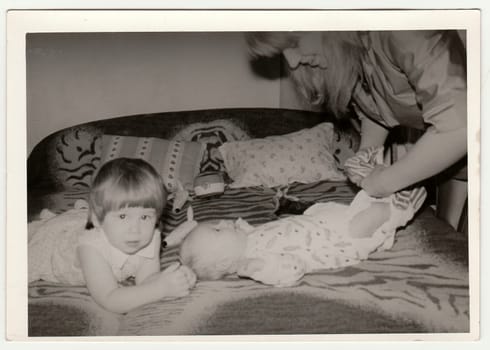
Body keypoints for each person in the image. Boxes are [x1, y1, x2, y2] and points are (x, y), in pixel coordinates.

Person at [245, 30, 467, 197]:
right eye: (282, 53)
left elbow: (461, 126)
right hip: (453, 155)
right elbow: (376, 110)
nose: (292, 61)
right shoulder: (352, 52)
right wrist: (366, 153)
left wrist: (384, 183)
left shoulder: (403, 29)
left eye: (293, 43)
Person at [28, 158, 196, 314]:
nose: (135, 230)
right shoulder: (90, 247)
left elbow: (147, 279)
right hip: (54, 244)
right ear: (97, 220)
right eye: (123, 216)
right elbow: (109, 298)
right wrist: (160, 289)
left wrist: (175, 278)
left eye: (145, 217)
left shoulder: (150, 236)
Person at [177, 186, 426, 287]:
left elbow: (253, 232)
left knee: (339, 209)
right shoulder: (255, 264)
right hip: (337, 244)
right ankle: (398, 210)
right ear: (224, 262)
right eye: (218, 230)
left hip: (320, 223)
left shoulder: (248, 239)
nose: (221, 223)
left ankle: (381, 191)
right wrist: (259, 268)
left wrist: (240, 226)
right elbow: (287, 274)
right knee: (364, 223)